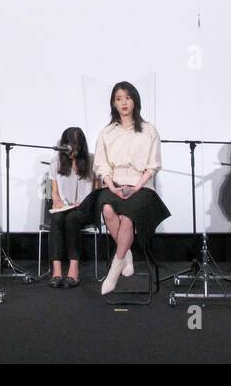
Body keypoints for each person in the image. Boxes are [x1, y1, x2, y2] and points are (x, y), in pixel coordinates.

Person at [93, 81, 170, 295]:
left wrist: (136, 187)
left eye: (127, 97)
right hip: (115, 183)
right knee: (107, 209)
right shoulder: (107, 132)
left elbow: (152, 166)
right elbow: (102, 165)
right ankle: (126, 255)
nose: (123, 102)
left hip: (142, 186)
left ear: (135, 100)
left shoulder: (148, 130)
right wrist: (113, 187)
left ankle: (115, 269)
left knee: (127, 216)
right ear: (113, 104)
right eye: (118, 99)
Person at [47, 127, 96, 289]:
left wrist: (83, 203)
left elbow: (96, 192)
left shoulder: (91, 161)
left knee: (72, 218)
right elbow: (53, 192)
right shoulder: (56, 162)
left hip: (85, 209)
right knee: (58, 217)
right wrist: (57, 201)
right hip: (65, 208)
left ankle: (73, 270)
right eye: (69, 144)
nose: (72, 148)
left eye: (76, 145)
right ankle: (57, 271)